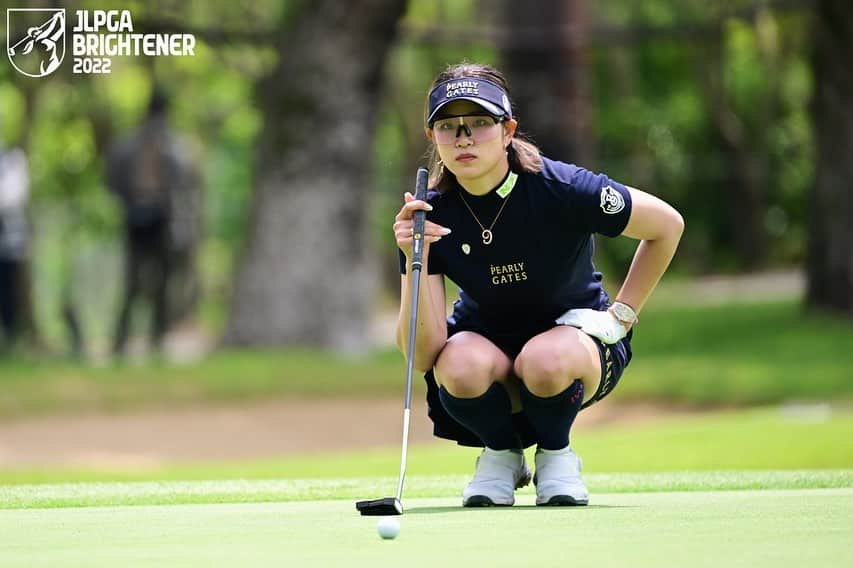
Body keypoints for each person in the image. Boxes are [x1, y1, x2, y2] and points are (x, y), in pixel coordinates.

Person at [393, 63, 684, 507]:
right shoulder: (427, 217)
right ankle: (500, 454)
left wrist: (622, 315)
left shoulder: (560, 187)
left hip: (576, 353)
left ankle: (556, 454)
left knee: (545, 358)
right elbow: (424, 352)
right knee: (458, 364)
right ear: (433, 139)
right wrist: (417, 259)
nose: (464, 138)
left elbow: (666, 226)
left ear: (508, 130)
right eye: (449, 127)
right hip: (489, 362)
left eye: (480, 124)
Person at [106, 88, 201, 357]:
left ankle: (127, 341)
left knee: (136, 283)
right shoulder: (171, 143)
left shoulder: (129, 142)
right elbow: (183, 183)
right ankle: (150, 340)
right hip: (158, 218)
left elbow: (113, 180)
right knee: (155, 282)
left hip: (143, 217)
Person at [0, 133, 32, 351]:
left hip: (9, 242)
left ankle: (11, 340)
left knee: (9, 293)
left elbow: (14, 196)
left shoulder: (13, 160)